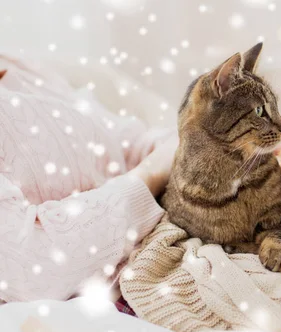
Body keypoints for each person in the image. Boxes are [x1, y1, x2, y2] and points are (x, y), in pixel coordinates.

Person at [0, 55, 177, 302]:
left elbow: (130, 143)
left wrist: (191, 143)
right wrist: (151, 174)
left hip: (165, 243)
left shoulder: (24, 68)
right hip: (121, 294)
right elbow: (34, 267)